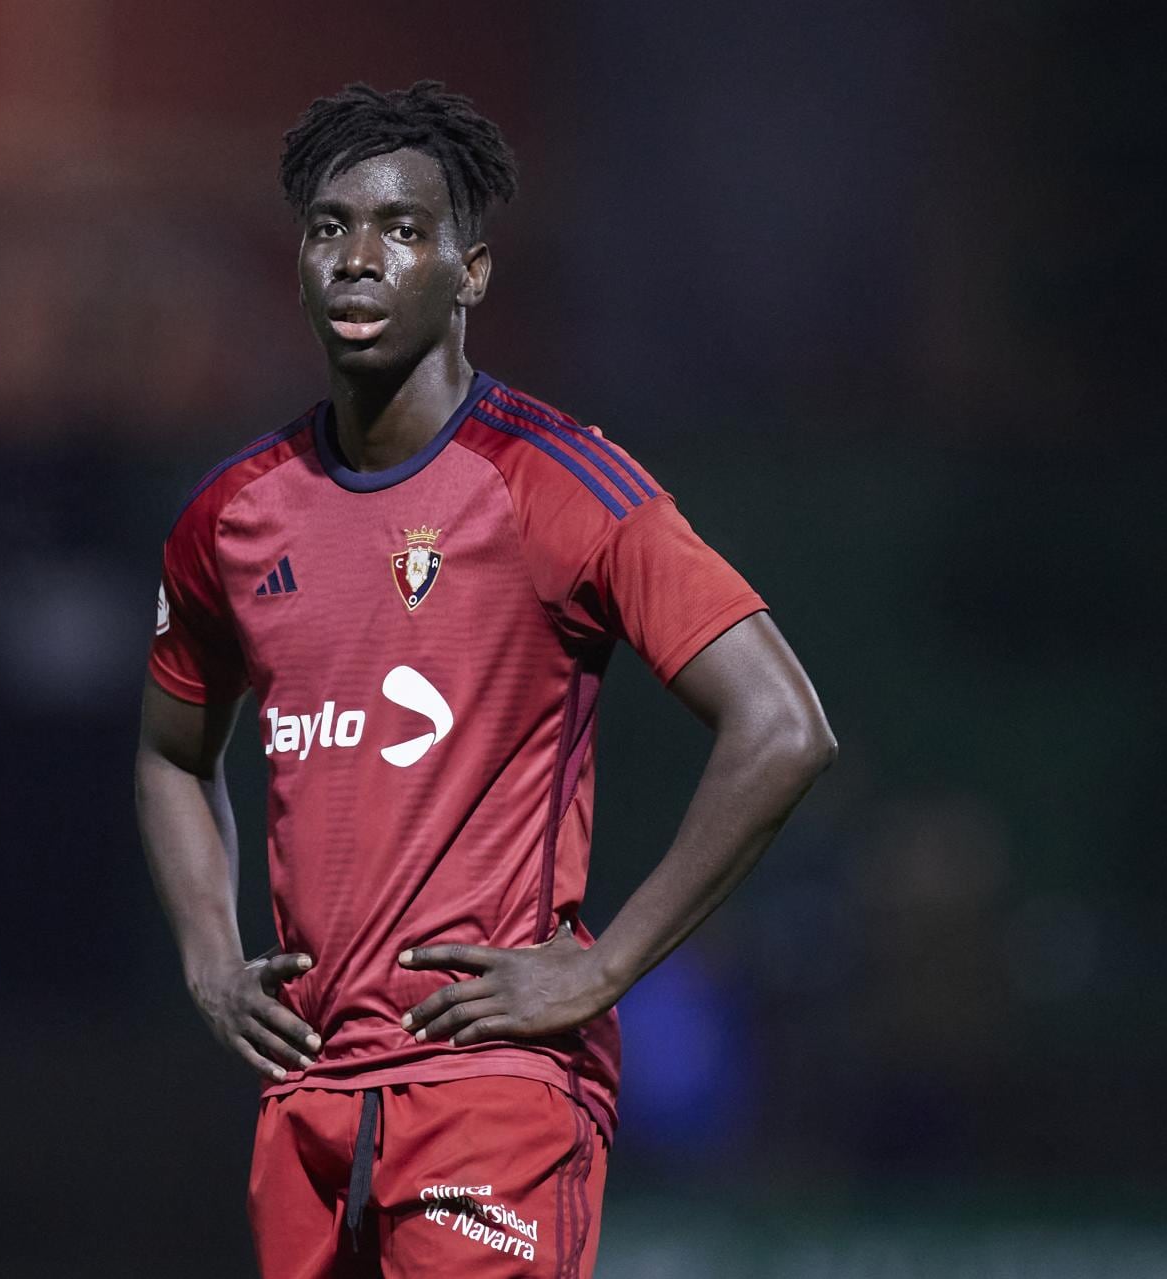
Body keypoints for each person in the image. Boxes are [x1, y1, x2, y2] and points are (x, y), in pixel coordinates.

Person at [136, 80, 835, 1278]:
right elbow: (169, 749)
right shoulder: (233, 516)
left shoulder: (557, 483)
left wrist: (603, 965)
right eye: (329, 228)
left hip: (493, 1089)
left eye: (404, 230)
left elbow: (781, 726)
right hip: (309, 1099)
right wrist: (208, 959)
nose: (360, 258)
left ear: (472, 275)